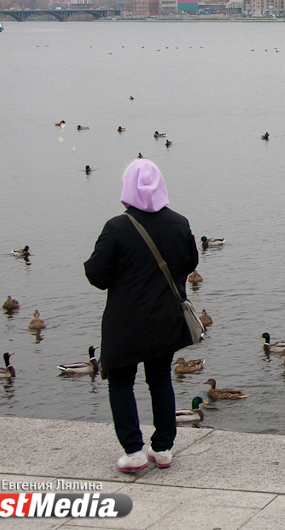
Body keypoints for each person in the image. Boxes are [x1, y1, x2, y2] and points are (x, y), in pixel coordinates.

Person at [84, 159, 198, 473]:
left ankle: (133, 451)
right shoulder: (180, 223)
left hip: (125, 321)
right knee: (160, 379)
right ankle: (162, 448)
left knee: (121, 383)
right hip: (166, 317)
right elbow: (190, 263)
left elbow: (97, 276)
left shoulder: (116, 227)